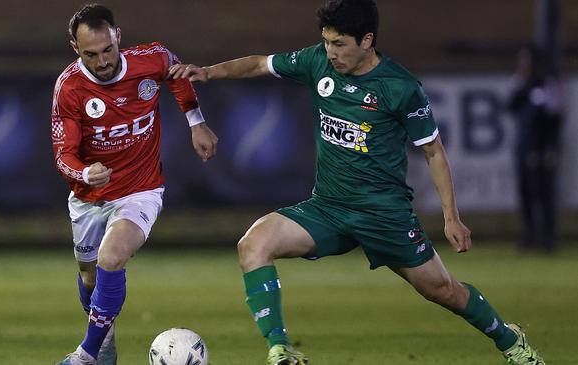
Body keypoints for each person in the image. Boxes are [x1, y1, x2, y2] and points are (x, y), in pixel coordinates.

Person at [170, 0, 545, 364]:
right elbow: (260, 64)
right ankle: (280, 351)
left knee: (443, 290)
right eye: (326, 41)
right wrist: (209, 72)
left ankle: (511, 342)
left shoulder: (400, 87)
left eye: (339, 44)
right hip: (329, 208)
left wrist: (450, 217)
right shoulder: (317, 61)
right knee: (253, 244)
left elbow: (433, 152)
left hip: (384, 215)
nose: (330, 52)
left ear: (366, 41)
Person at [50, 4, 218, 365]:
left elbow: (176, 73)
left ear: (118, 37)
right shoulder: (69, 88)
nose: (103, 61)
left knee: (112, 258)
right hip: (90, 197)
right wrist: (84, 173)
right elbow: (64, 155)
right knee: (90, 276)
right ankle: (105, 343)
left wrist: (196, 121)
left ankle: (86, 354)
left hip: (141, 189)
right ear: (75, 48)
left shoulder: (151, 58)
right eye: (91, 54)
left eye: (108, 49)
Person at [507, 43, 562, 253]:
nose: (523, 64)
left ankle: (548, 238)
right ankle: (529, 235)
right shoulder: (521, 83)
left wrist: (550, 147)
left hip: (541, 148)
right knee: (526, 193)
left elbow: (554, 118)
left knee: (544, 193)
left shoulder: (547, 84)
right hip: (524, 146)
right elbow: (509, 105)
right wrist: (523, 86)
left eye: (526, 59)